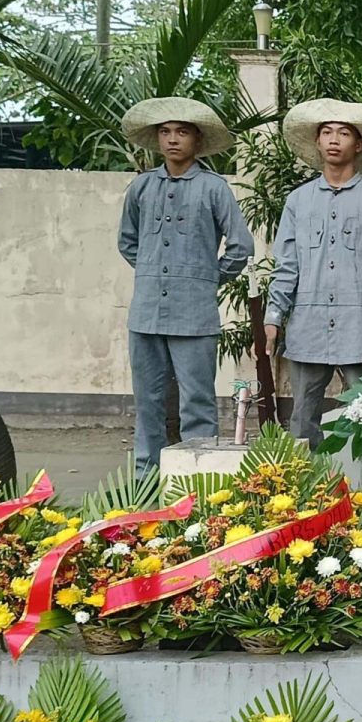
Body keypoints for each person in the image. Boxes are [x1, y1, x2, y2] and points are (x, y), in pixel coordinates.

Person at [116, 97, 253, 476]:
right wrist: (151, 270)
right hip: (144, 315)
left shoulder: (214, 188)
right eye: (165, 132)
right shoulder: (142, 187)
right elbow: (127, 241)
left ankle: (199, 481)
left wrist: (207, 277)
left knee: (197, 402)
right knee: (148, 403)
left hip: (195, 316)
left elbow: (241, 246)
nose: (172, 139)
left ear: (197, 140)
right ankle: (145, 482)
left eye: (182, 132)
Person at [265, 99, 362, 451]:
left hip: (359, 327)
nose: (333, 139)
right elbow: (287, 265)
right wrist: (273, 316)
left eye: (343, 133)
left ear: (358, 145)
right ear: (316, 142)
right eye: (326, 132)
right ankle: (300, 492)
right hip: (307, 326)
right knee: (301, 416)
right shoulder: (298, 201)